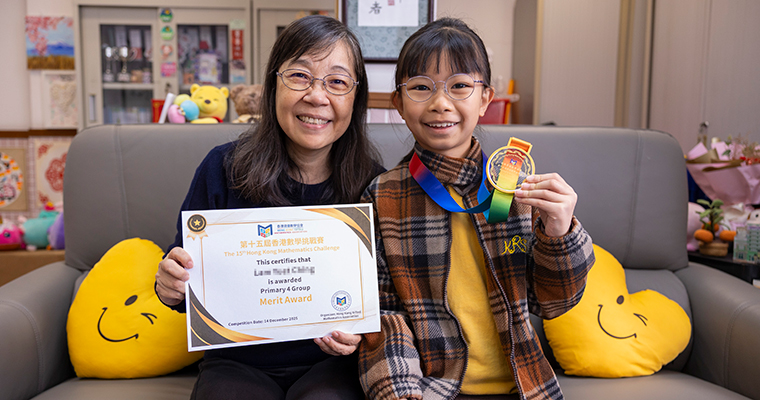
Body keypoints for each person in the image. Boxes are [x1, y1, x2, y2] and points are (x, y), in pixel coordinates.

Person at [357, 18, 595, 400]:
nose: (440, 103)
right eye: (420, 87)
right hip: (433, 390)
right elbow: (385, 317)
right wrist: (400, 393)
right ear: (398, 102)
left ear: (485, 98)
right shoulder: (383, 196)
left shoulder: (516, 187)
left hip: (525, 387)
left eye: (460, 86)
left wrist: (560, 233)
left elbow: (554, 303)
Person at [155, 15, 384, 400]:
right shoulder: (222, 168)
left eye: (337, 82)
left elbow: (387, 297)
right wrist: (169, 286)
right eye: (300, 76)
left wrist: (364, 333)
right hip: (236, 361)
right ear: (273, 84)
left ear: (355, 98)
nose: (317, 96)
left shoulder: (375, 184)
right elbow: (181, 285)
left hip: (333, 364)